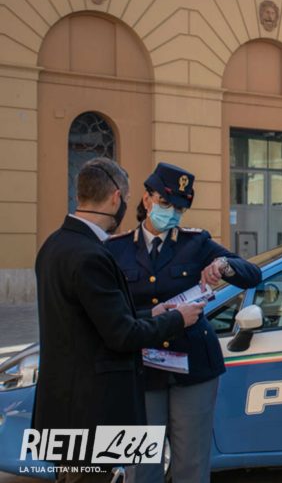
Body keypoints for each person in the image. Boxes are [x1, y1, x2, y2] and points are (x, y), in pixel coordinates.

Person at [34, 157, 203, 483]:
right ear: (116, 198)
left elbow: (89, 321)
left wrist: (149, 314)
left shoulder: (54, 245)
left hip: (63, 409)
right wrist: (176, 319)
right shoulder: (91, 255)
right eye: (125, 198)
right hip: (92, 412)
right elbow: (121, 335)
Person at [106, 162, 262, 483]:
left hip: (194, 367)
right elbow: (110, 313)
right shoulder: (115, 250)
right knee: (141, 468)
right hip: (140, 368)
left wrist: (223, 265)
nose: (173, 213)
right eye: (166, 203)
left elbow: (252, 274)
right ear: (147, 199)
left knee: (191, 465)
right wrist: (151, 316)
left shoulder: (196, 242)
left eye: (180, 208)